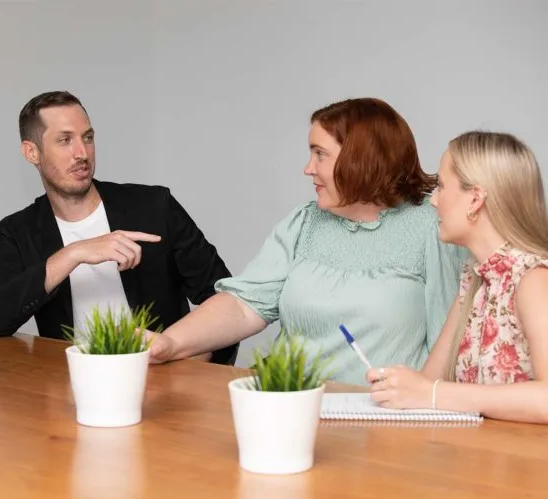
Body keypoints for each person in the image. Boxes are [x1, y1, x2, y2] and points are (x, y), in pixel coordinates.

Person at [150, 98, 468, 384]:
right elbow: (244, 306)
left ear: (361, 160)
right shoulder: (305, 222)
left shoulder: (432, 226)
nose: (307, 168)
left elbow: (450, 340)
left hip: (384, 423)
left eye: (320, 155)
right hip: (290, 405)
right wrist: (169, 343)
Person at [0, 91, 238, 365]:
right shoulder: (19, 232)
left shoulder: (154, 207)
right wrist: (73, 254)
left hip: (165, 383)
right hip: (73, 389)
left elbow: (227, 302)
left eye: (87, 138)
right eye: (65, 140)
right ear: (32, 152)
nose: (82, 153)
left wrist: (181, 364)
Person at [366, 131, 548, 423]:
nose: (433, 201)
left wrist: (433, 394)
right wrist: (400, 388)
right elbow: (428, 383)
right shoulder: (474, 279)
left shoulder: (535, 280)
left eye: (441, 186)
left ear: (475, 198)